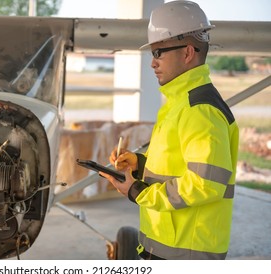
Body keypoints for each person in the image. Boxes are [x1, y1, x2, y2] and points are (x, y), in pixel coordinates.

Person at [100, 0, 239, 260]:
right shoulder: (181, 103)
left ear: (187, 53)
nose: (152, 63)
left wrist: (136, 191)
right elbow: (179, 167)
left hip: (186, 254)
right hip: (168, 247)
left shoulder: (200, 111)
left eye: (158, 53)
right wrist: (139, 164)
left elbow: (204, 185)